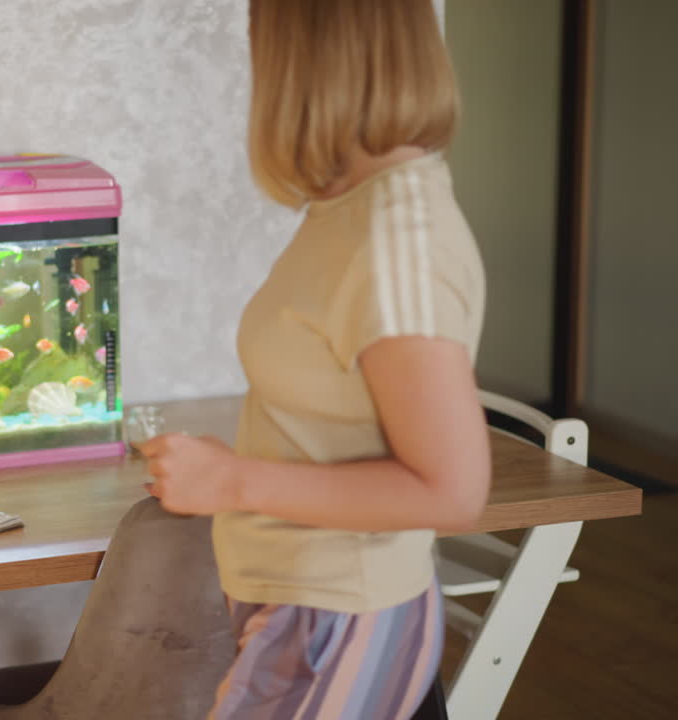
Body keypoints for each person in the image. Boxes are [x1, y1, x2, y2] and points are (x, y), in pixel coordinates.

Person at [139, 1, 489, 718]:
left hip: (335, 614)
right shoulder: (351, 208)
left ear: (305, 56)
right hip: (303, 608)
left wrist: (233, 480)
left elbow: (451, 490)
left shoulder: (397, 242)